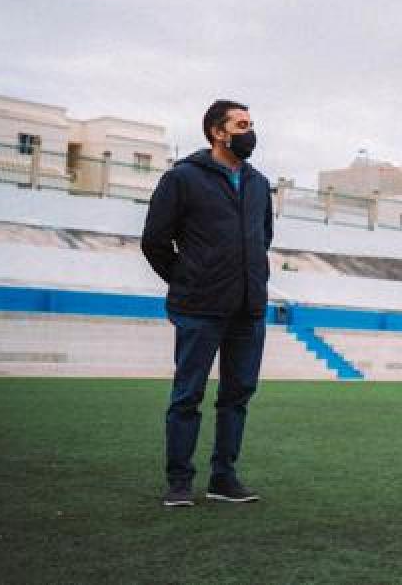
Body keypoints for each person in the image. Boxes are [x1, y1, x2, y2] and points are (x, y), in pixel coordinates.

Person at [142, 99, 273, 507]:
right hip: (200, 308)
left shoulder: (258, 183)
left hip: (248, 309)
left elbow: (263, 237)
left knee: (237, 397)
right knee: (188, 396)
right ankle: (180, 481)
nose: (249, 131)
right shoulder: (182, 179)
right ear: (218, 132)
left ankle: (224, 478)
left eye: (251, 124)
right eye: (241, 124)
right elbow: (155, 241)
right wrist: (188, 280)